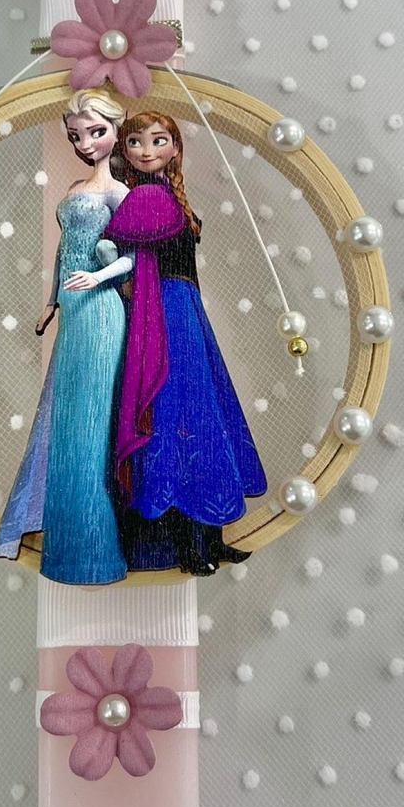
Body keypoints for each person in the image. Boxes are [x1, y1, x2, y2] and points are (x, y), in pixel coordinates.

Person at [102, 111, 267, 575]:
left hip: (185, 310)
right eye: (136, 142)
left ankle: (208, 536)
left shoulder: (168, 194)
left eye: (159, 140)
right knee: (179, 417)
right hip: (164, 313)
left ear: (175, 147)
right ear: (124, 151)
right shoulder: (144, 197)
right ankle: (187, 545)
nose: (147, 150)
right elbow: (120, 249)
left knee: (200, 417)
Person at [0, 88, 134, 584]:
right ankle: (69, 547)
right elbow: (64, 250)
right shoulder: (75, 188)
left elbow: (135, 257)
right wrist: (52, 302)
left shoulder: (120, 194)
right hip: (73, 312)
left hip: (102, 310)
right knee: (67, 419)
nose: (86, 144)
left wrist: (98, 277)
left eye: (96, 132)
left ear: (116, 131)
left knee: (91, 425)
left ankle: (97, 551)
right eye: (76, 136)